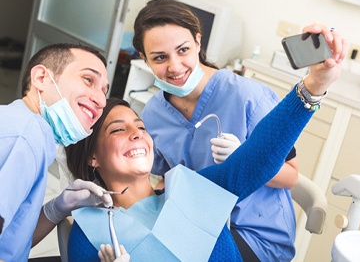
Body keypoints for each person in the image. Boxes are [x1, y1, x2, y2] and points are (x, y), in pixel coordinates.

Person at [63, 47, 344, 261]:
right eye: (117, 131)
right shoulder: (91, 232)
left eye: (140, 126)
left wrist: (314, 86)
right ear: (92, 157)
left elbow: (260, 158)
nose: (137, 134)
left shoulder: (191, 188)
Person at [131, 0, 344, 261]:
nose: (174, 66)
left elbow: (291, 176)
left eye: (183, 50)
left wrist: (244, 157)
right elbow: (162, 177)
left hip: (254, 234)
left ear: (198, 42)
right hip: (198, 221)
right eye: (160, 57)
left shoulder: (247, 96)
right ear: (144, 58)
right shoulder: (153, 112)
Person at [0, 43, 112, 261]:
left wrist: (57, 208)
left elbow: (11, 241)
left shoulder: (22, 125)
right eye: (89, 80)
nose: (101, 101)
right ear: (41, 78)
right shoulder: (27, 136)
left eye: (104, 91)